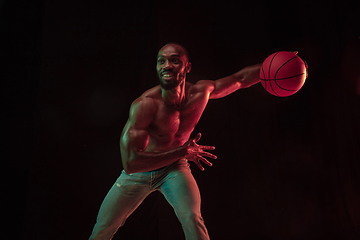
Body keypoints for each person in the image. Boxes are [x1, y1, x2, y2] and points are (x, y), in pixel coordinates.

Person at [89, 43, 262, 240]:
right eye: (161, 61)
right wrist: (182, 152)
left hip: (175, 168)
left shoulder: (201, 92)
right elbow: (131, 163)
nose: (167, 65)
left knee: (192, 218)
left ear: (187, 67)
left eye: (175, 60)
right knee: (102, 229)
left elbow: (240, 79)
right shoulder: (145, 104)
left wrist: (275, 65)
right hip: (139, 172)